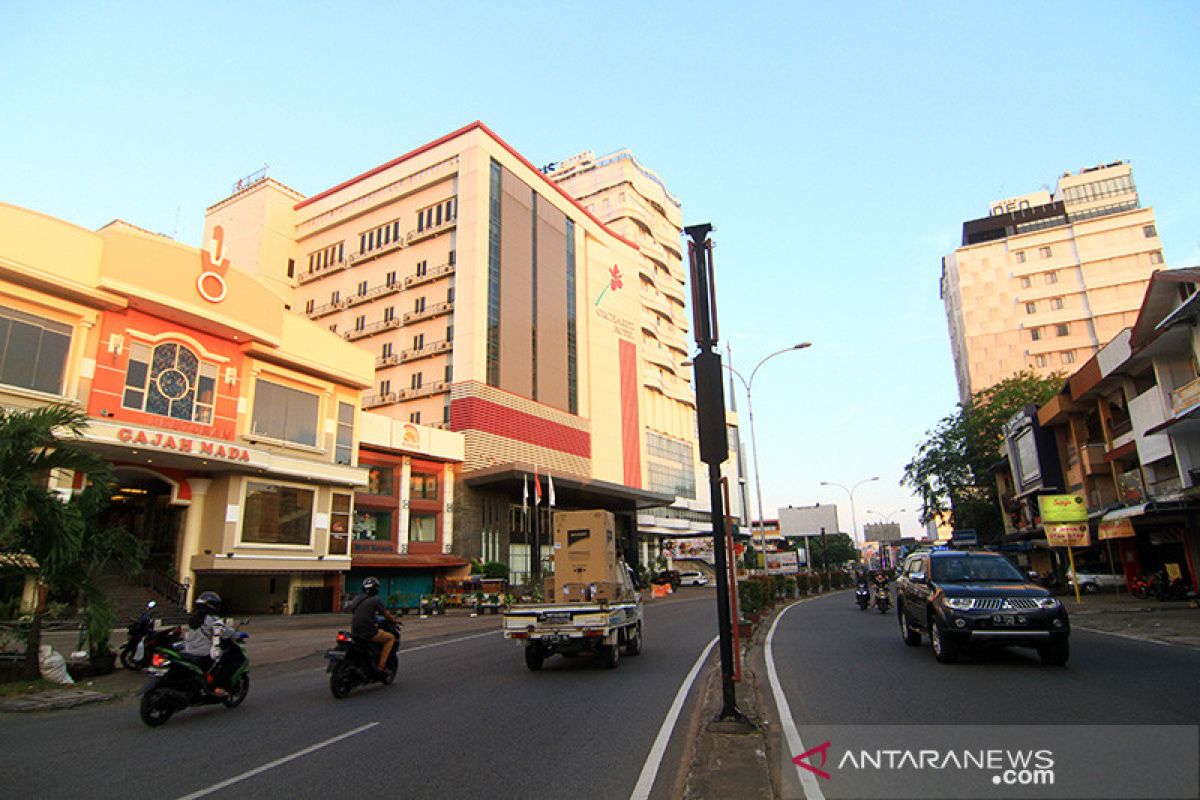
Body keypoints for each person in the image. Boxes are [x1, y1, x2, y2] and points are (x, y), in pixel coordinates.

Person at [181, 590, 240, 697]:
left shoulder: (192, 619)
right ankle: (218, 687)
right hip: (204, 653)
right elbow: (225, 632)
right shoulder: (212, 619)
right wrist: (239, 635)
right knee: (228, 663)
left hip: (188, 651)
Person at [348, 577, 399, 676]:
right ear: (375, 589)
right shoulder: (376, 600)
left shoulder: (357, 599)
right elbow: (386, 614)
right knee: (390, 638)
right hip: (368, 632)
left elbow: (360, 613)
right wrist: (394, 621)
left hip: (355, 632)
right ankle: (381, 667)